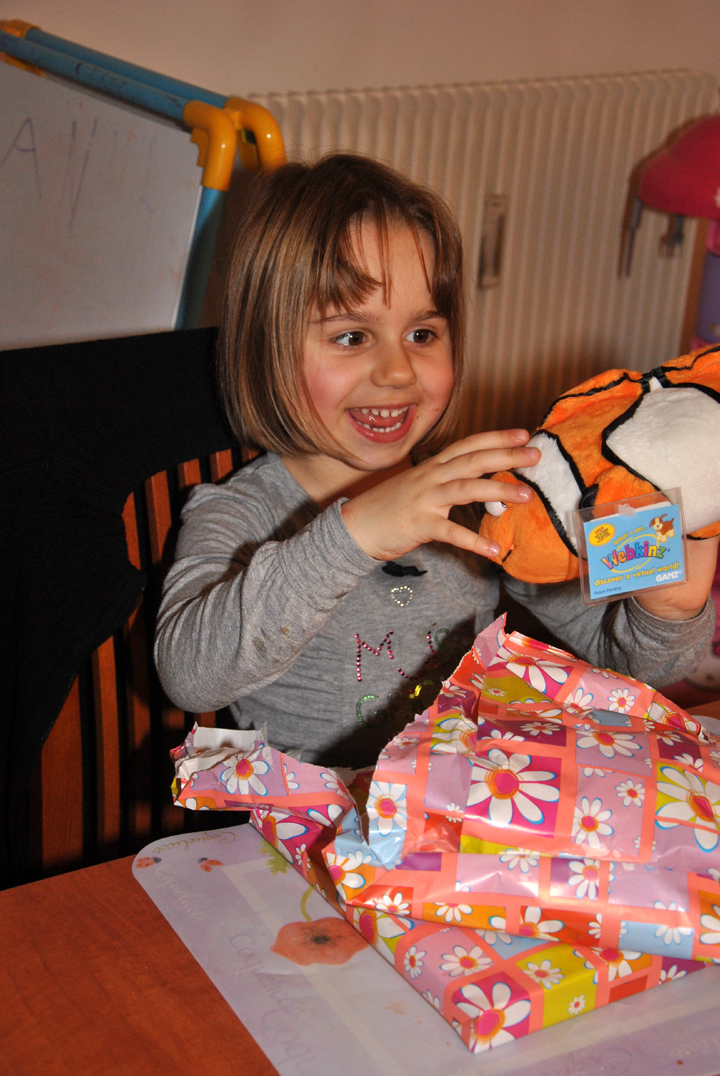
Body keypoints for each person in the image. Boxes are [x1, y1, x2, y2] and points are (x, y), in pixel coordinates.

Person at [155, 154, 716, 769]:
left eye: (422, 334)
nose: (398, 371)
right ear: (266, 350)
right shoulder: (239, 514)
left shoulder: (477, 496)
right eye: (351, 336)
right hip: (318, 820)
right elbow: (189, 677)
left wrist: (666, 610)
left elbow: (629, 665)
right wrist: (357, 533)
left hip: (470, 805)